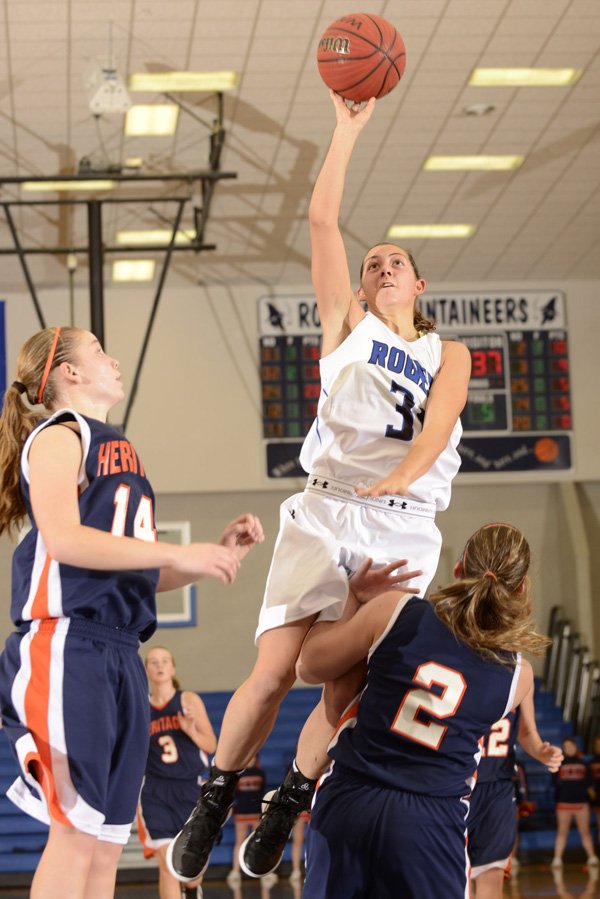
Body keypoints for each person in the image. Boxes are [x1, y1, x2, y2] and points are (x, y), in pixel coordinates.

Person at [167, 88, 471, 884]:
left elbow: (438, 430)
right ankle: (215, 795)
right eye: (374, 263)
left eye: (396, 259)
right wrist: (344, 131)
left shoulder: (453, 354)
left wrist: (399, 479)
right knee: (273, 671)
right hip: (331, 505)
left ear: (421, 283)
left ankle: (292, 795)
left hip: (405, 523)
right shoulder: (349, 325)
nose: (381, 264)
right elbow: (323, 224)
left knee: (343, 690)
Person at [0, 325, 264, 899]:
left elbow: (133, 571)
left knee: (103, 843)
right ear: (68, 371)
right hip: (68, 646)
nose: (112, 358)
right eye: (98, 350)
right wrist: (178, 549)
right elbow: (65, 541)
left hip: (120, 651)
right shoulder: (58, 436)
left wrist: (205, 560)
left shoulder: (119, 450)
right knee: (73, 837)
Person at [294, 523, 551, 899]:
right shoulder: (518, 676)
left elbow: (309, 666)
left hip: (351, 796)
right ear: (522, 589)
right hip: (430, 819)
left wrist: (352, 599)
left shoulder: (395, 610)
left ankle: (289, 794)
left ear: (459, 567)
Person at [138, 645, 217, 899]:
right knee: (167, 864)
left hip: (190, 789)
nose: (159, 666)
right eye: (153, 662)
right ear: (147, 670)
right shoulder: (141, 708)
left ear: (172, 668)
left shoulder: (188, 700)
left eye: (164, 661)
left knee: (192, 870)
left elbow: (211, 745)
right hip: (156, 791)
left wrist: (190, 730)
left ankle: (192, 891)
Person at [469, 693, 562, 898]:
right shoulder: (453, 661)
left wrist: (540, 751)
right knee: (453, 876)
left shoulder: (521, 670)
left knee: (491, 873)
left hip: (498, 786)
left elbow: (527, 731)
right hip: (454, 784)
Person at [552, 737, 599, 869]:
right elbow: (555, 784)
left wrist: (592, 799)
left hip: (581, 804)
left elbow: (590, 786)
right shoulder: (559, 765)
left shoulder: (584, 764)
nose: (569, 749)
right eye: (566, 747)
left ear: (576, 747)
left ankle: (591, 857)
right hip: (564, 804)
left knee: (585, 832)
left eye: (571, 746)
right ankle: (557, 859)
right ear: (563, 749)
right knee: (562, 832)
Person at [226, 754, 266, 887]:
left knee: (259, 843)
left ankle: (263, 871)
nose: (251, 759)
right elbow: (233, 793)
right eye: (249, 757)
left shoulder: (260, 773)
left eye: (253, 757)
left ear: (256, 759)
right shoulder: (238, 774)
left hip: (256, 812)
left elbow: (262, 793)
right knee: (239, 842)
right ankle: (235, 872)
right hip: (242, 813)